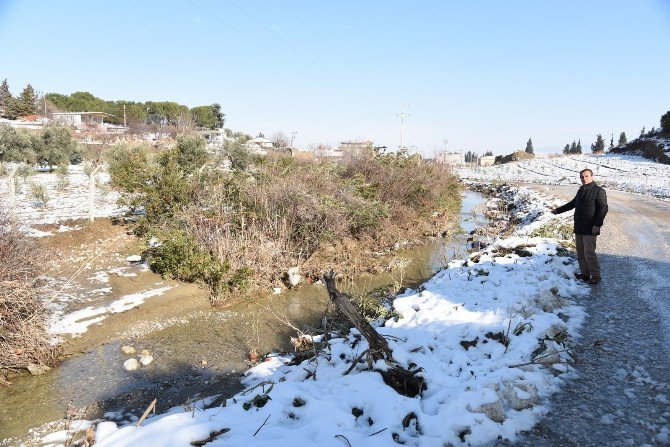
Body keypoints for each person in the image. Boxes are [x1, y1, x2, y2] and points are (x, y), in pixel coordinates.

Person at [552, 168, 608, 285]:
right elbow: (573, 204)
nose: (584, 178)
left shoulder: (599, 191)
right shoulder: (581, 190)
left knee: (589, 252)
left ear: (592, 177)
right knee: (580, 252)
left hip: (590, 227)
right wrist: (558, 210)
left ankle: (596, 275)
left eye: (586, 176)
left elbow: (603, 208)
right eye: (582, 177)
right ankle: (585, 274)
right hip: (579, 226)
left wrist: (597, 225)